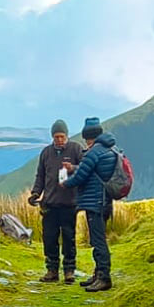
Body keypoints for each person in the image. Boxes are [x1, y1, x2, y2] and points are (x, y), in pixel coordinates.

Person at [61, 117, 117, 292]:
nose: (86, 142)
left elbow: (81, 177)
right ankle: (98, 274)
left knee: (98, 241)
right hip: (106, 200)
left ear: (89, 137)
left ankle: (104, 277)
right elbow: (91, 170)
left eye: (86, 138)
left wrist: (65, 182)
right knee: (99, 239)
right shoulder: (111, 149)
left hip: (95, 201)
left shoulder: (94, 152)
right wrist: (75, 168)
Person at [28, 119, 83, 284]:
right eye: (56, 136)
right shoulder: (46, 153)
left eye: (62, 136)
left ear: (67, 135)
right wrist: (36, 193)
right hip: (49, 203)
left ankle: (69, 271)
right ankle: (52, 270)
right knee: (49, 238)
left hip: (69, 204)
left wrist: (73, 168)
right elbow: (41, 176)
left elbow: (85, 169)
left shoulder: (76, 149)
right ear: (52, 136)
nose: (59, 139)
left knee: (69, 238)